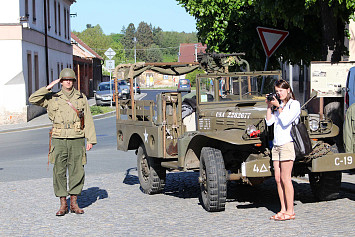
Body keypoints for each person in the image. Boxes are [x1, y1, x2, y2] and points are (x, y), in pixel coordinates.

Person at [29, 68, 97, 216]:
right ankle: (63, 204)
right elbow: (32, 99)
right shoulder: (52, 97)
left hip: (77, 138)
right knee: (59, 171)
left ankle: (74, 203)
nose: (68, 82)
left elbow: (89, 119)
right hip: (58, 138)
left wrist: (90, 139)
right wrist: (47, 88)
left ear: (73, 81)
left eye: (70, 80)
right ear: (61, 81)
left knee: (77, 170)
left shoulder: (81, 97)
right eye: (65, 79)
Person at [265, 79, 300, 221]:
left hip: (287, 144)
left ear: (288, 90)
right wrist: (268, 106)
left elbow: (286, 121)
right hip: (277, 145)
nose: (279, 93)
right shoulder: (278, 105)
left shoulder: (294, 104)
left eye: (281, 90)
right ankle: (283, 209)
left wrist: (278, 106)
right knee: (278, 179)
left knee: (286, 179)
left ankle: (290, 211)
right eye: (277, 91)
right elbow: (269, 122)